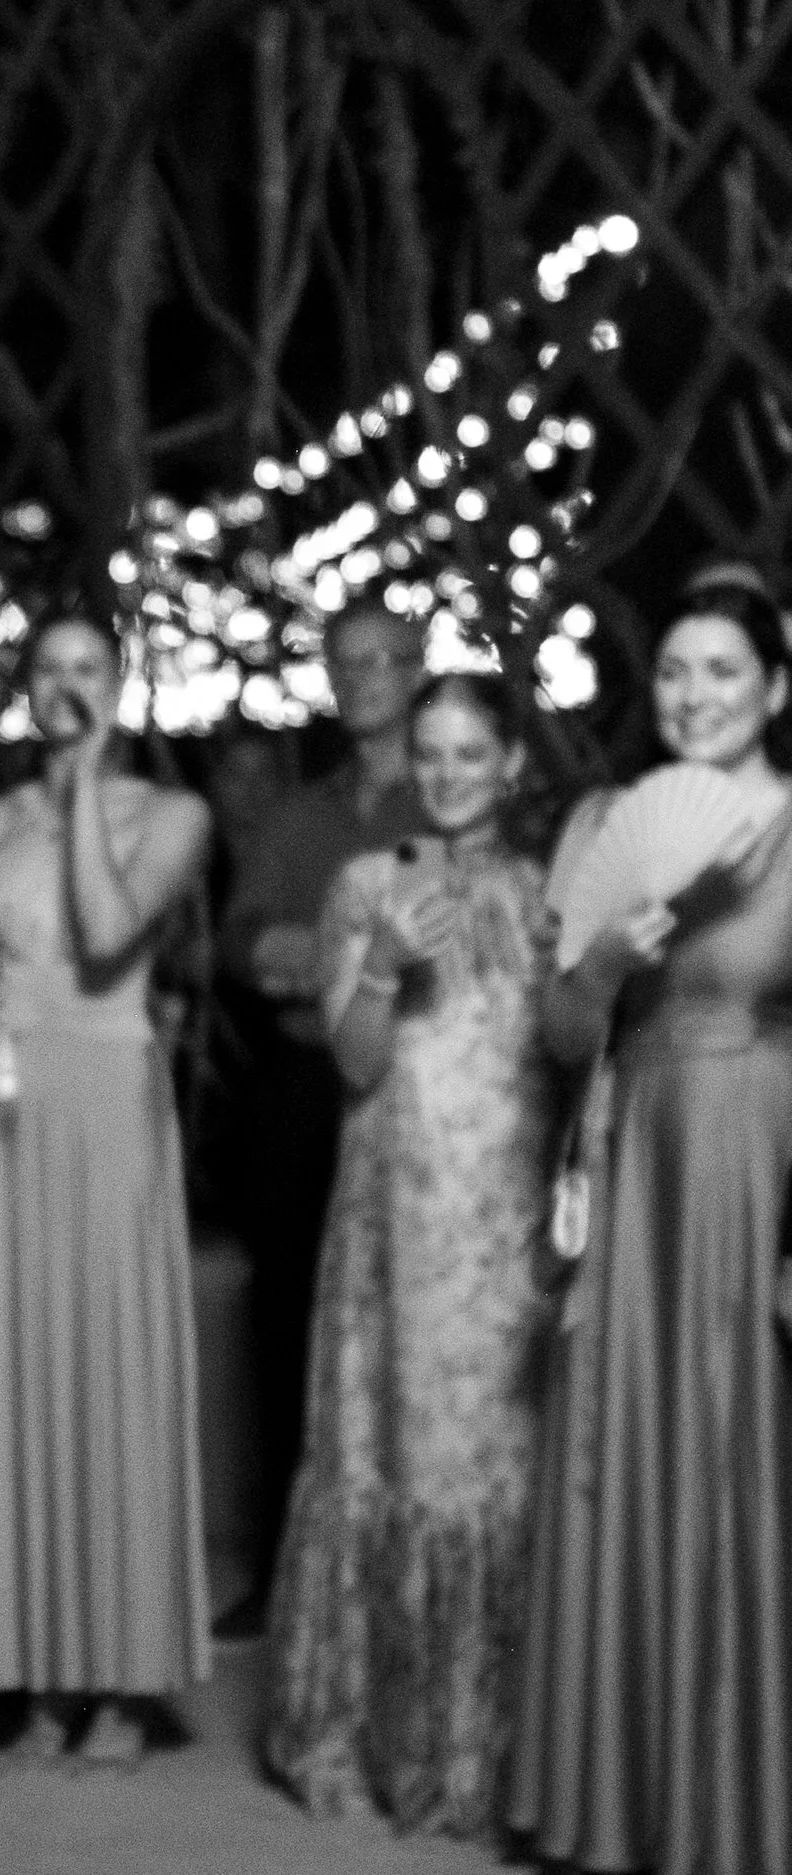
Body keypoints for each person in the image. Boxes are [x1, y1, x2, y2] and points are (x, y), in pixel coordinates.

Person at [509, 584, 792, 1875]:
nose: (692, 695)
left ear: (774, 688)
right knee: (621, 1448)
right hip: (632, 1159)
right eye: (674, 671)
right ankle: (627, 1803)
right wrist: (604, 964)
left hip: (757, 1158)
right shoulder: (601, 824)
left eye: (722, 670)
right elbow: (563, 1035)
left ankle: (740, 1810)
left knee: (742, 1447)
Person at [259, 672, 557, 1835]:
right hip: (393, 1220)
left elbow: (566, 1055)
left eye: (469, 754)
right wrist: (378, 961)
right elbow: (355, 1062)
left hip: (502, 1223)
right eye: (428, 754)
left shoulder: (542, 893)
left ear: (511, 764)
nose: (445, 775)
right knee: (388, 1456)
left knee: (488, 1470)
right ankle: (373, 1737)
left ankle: (486, 1751)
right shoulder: (364, 883)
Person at [0, 613, 213, 1767]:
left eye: (88, 671)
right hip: (8, 1114)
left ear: (118, 685)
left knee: (113, 1367)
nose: (66, 689)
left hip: (111, 1104)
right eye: (47, 671)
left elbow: (105, 934)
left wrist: (92, 775)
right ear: (24, 688)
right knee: (18, 1365)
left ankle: (121, 1674)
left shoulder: (171, 815)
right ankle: (38, 1665)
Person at [215, 605, 428, 1638]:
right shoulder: (301, 815)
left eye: (383, 658)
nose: (365, 676)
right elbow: (240, 941)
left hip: (419, 1091)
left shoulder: (453, 795)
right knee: (286, 1326)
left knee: (411, 1321)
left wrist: (327, 958)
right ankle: (282, 1571)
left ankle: (397, 1573)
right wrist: (318, 956)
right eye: (347, 662)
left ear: (417, 668)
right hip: (305, 1089)